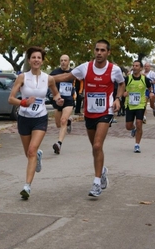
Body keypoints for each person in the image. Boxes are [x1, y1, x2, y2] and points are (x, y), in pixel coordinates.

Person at [53, 39, 125, 197]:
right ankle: (103, 170)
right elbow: (66, 77)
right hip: (90, 113)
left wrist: (118, 99)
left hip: (106, 111)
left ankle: (96, 183)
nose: (99, 53)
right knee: (95, 148)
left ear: (108, 52)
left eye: (102, 50)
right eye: (97, 50)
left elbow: (121, 83)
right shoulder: (85, 68)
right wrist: (44, 78)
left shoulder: (114, 70)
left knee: (98, 146)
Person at [8, 46, 63, 199]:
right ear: (29, 60)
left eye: (39, 58)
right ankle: (38, 155)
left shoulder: (48, 78)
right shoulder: (22, 77)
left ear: (42, 61)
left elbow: (55, 94)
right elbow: (11, 98)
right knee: (29, 153)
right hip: (24, 118)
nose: (36, 60)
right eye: (33, 57)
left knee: (31, 150)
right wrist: (23, 102)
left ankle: (27, 186)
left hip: (40, 117)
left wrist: (59, 100)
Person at [49, 55, 75, 154]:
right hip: (58, 100)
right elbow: (49, 84)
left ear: (69, 62)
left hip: (68, 100)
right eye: (61, 60)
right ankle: (68, 121)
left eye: (65, 60)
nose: (63, 62)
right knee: (58, 124)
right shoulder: (55, 73)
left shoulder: (73, 73)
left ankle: (59, 144)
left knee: (63, 120)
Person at [124, 60, 152, 153]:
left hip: (140, 104)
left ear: (141, 68)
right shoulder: (128, 79)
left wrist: (150, 94)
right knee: (128, 126)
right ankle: (133, 129)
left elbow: (150, 89)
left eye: (137, 66)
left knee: (139, 123)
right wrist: (124, 93)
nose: (135, 67)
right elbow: (122, 89)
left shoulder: (145, 79)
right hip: (130, 105)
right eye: (133, 65)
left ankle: (137, 145)